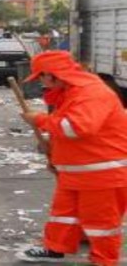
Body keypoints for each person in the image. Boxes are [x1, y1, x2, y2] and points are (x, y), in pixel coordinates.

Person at [16, 51, 127, 266]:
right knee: (63, 214)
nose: (41, 82)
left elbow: (77, 128)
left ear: (52, 74)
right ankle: (55, 249)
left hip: (103, 173)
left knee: (101, 224)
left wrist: (40, 120)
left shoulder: (91, 93)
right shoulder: (70, 92)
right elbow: (65, 130)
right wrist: (55, 158)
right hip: (77, 170)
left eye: (41, 76)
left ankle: (104, 260)